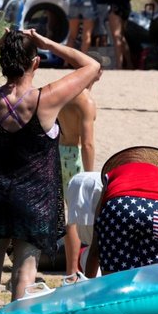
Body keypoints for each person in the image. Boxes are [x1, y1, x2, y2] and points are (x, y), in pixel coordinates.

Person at [0, 28, 102, 314]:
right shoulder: (46, 99)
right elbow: (91, 66)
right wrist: (49, 43)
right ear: (35, 63)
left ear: (3, 62)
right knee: (24, 273)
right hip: (34, 196)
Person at [85, 148, 158, 276]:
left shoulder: (113, 174)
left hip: (119, 206)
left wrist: (88, 285)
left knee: (113, 281)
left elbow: (96, 245)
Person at [58, 83, 97, 275]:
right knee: (74, 216)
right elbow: (88, 143)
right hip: (76, 156)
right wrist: (90, 175)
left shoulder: (64, 91)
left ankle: (71, 269)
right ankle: (72, 272)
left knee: (65, 212)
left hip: (60, 150)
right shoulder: (85, 100)